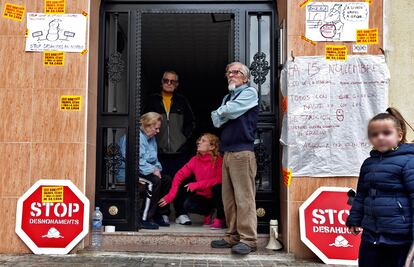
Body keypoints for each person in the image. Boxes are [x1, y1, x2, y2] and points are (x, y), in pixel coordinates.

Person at [346, 108, 414, 267]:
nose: (380, 137)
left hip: (399, 237)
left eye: (386, 133)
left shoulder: (408, 162)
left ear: (399, 135)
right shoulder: (368, 163)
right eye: (375, 134)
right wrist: (355, 219)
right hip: (371, 235)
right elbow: (362, 195)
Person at [210, 62, 259, 255]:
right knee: (228, 199)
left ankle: (249, 240)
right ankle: (233, 236)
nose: (231, 75)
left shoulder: (249, 93)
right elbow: (216, 120)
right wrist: (226, 111)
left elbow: (225, 113)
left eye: (236, 72)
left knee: (244, 199)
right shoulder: (227, 97)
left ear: (245, 78)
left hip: (243, 153)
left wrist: (224, 111)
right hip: (228, 152)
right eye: (229, 72)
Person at [145, 70, 195, 226]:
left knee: (179, 182)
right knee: (162, 182)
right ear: (161, 82)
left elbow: (191, 123)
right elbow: (143, 121)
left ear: (177, 84)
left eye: (172, 81)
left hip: (179, 151)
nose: (169, 83)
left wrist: (183, 139)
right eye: (166, 80)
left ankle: (181, 213)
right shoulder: (152, 100)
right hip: (158, 151)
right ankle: (163, 213)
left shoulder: (182, 101)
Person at [158, 133, 226, 229]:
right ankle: (208, 212)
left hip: (217, 196)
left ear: (212, 146)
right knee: (189, 205)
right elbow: (179, 176)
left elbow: (220, 179)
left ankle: (220, 218)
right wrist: (171, 195)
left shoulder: (219, 160)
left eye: (203, 141)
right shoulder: (195, 160)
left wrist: (197, 185)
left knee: (217, 188)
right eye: (199, 140)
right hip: (204, 196)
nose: (198, 142)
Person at [138, 112, 170, 230]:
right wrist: (153, 170)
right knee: (153, 182)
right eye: (156, 128)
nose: (157, 131)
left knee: (166, 180)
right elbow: (137, 161)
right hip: (132, 172)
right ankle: (144, 218)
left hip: (146, 170)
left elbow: (155, 159)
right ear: (147, 125)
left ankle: (157, 214)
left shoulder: (151, 139)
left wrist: (157, 169)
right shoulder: (138, 137)